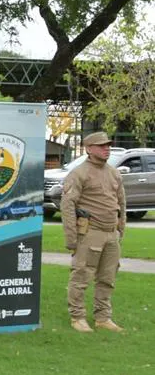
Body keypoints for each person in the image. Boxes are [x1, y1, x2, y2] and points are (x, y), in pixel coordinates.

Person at [60, 131, 126, 333]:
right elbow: (67, 206)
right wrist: (72, 238)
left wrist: (120, 229)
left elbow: (121, 203)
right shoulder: (79, 173)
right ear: (89, 148)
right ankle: (77, 317)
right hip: (89, 233)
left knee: (107, 278)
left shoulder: (113, 173)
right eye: (101, 145)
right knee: (81, 276)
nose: (107, 149)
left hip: (111, 234)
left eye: (108, 145)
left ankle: (103, 317)